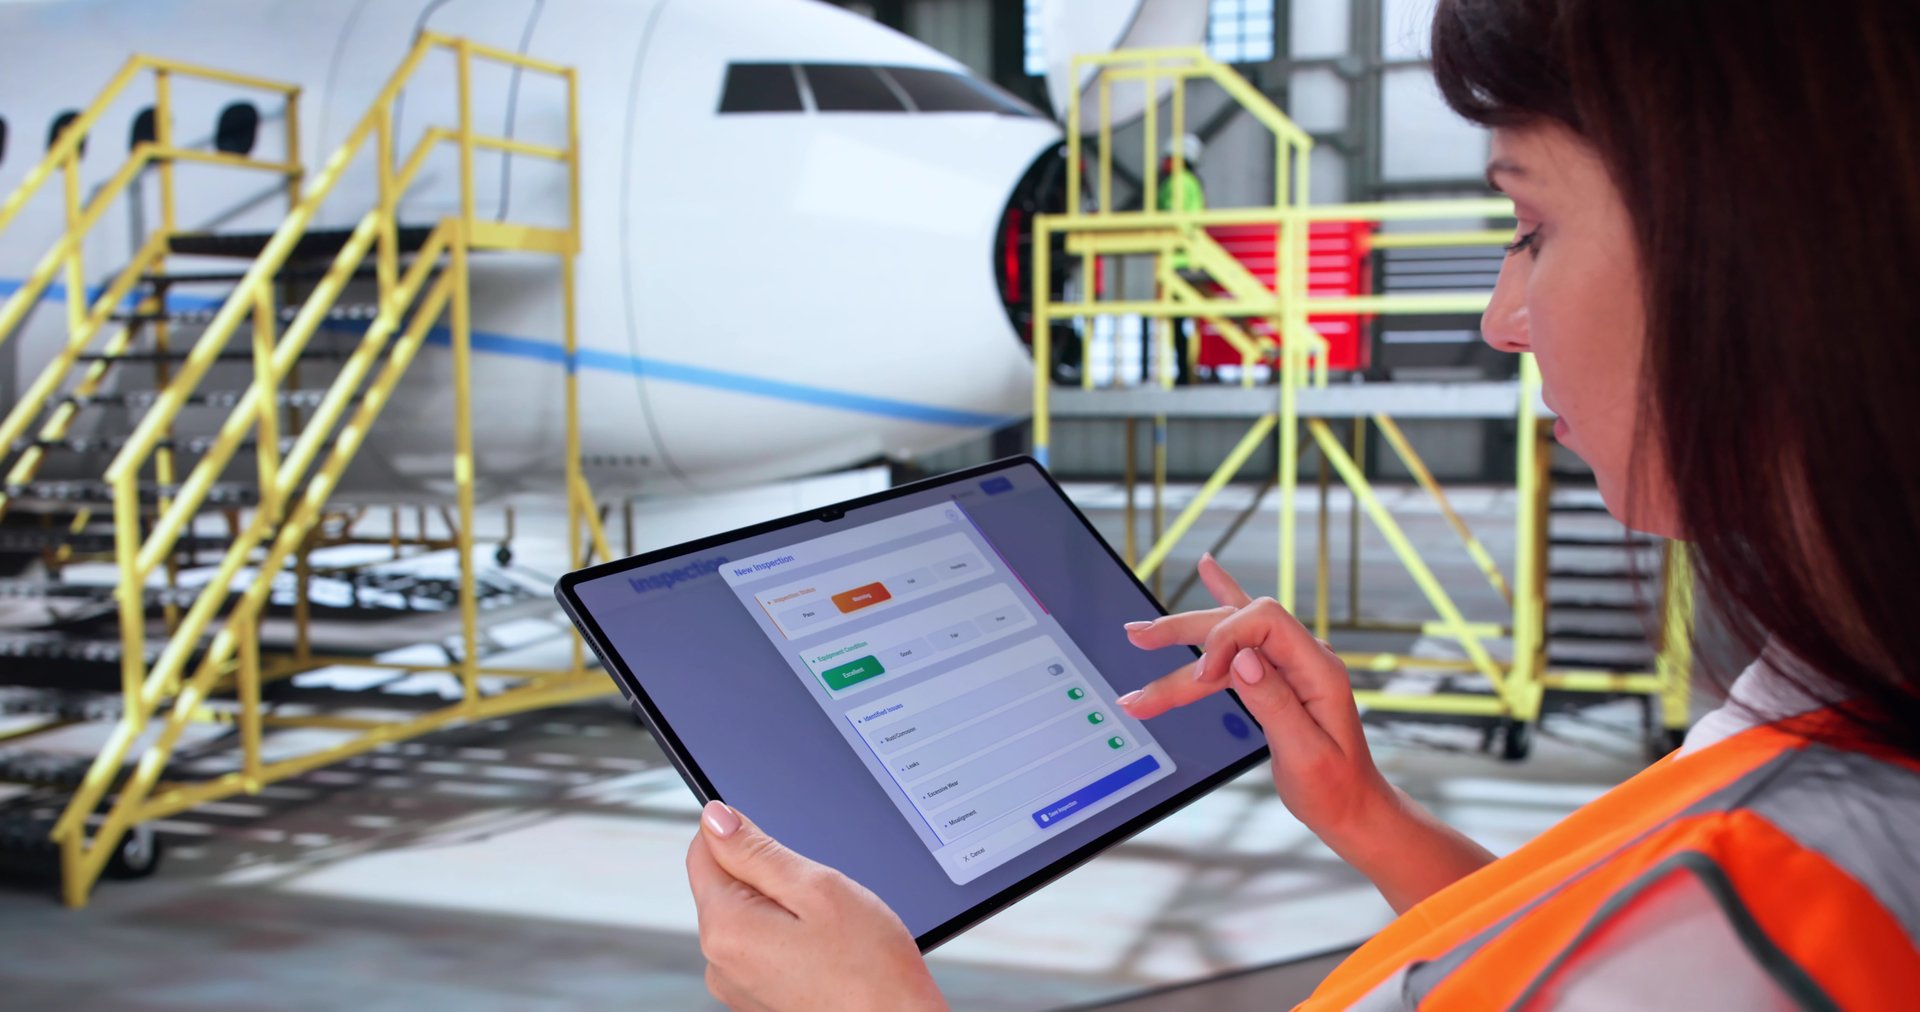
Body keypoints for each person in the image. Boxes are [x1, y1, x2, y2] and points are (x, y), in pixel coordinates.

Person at [682, 0, 1920, 1006]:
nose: (1501, 315)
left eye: (1531, 223)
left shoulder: (1788, 906)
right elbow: (1561, 959)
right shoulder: (1824, 705)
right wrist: (1368, 817)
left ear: (1762, 249)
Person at [1146, 133, 1205, 386]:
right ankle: (1186, 371)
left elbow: (1172, 217)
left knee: (1179, 320)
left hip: (1179, 262)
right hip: (1186, 259)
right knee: (1183, 320)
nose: (1164, 163)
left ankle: (1183, 373)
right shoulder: (1190, 182)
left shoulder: (1179, 182)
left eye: (1169, 158)